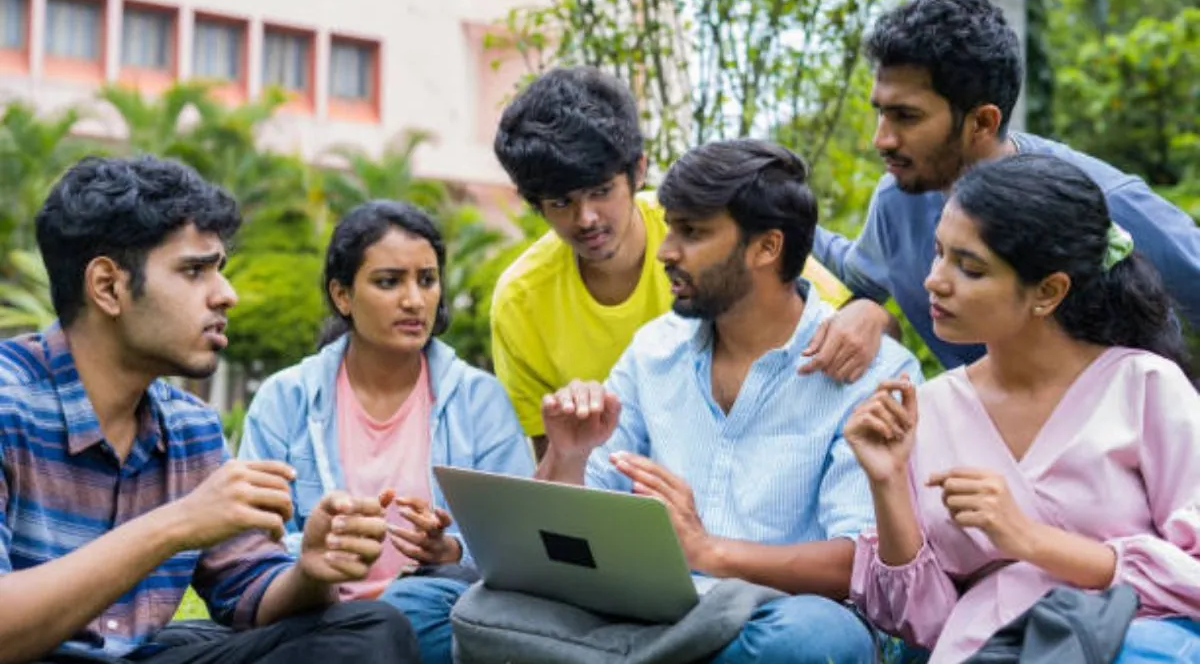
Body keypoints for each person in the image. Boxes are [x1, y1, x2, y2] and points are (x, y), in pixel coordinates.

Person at [0, 156, 419, 664]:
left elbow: (249, 591)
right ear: (108, 286)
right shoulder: (10, 399)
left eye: (219, 270)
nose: (227, 295)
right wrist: (179, 523)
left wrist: (311, 569)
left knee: (367, 629)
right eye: (194, 271)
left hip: (134, 655)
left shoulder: (188, 425)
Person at [534, 139, 923, 663]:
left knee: (812, 640)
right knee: (464, 602)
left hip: (778, 616)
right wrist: (568, 454)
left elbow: (859, 564)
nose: (666, 250)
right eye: (671, 227)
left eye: (692, 232)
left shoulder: (872, 372)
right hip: (658, 612)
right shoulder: (654, 350)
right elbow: (561, 535)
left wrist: (706, 552)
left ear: (766, 248)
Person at [845, 154, 1200, 663]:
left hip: (1131, 646)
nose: (934, 281)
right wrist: (887, 480)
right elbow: (922, 625)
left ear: (1049, 291)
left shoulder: (1144, 387)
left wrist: (1029, 539)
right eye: (938, 254)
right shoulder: (928, 409)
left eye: (969, 268)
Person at [490, 66, 872, 459]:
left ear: (638, 170)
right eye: (560, 202)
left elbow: (843, 318)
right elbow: (555, 466)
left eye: (601, 191)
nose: (586, 217)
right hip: (616, 497)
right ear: (535, 204)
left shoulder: (704, 228)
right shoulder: (520, 300)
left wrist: (867, 314)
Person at [809, 0, 1200, 372]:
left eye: (906, 116)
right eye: (880, 112)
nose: (882, 139)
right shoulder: (899, 201)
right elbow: (855, 276)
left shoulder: (1102, 202)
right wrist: (868, 310)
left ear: (983, 121)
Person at [237, 200, 535, 664]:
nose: (415, 300)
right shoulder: (286, 400)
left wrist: (448, 549)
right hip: (319, 620)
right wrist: (320, 550)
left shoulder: (479, 400)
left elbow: (516, 547)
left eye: (427, 280)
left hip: (437, 618)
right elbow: (252, 545)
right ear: (342, 296)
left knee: (413, 621)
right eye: (388, 281)